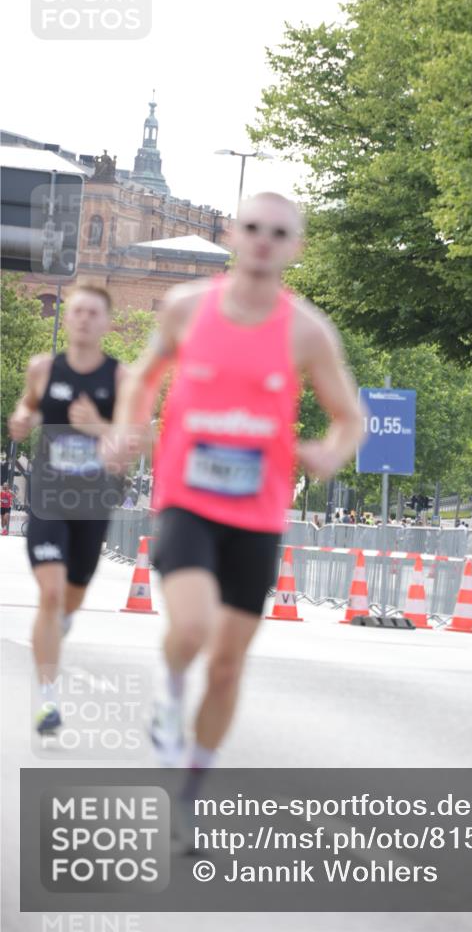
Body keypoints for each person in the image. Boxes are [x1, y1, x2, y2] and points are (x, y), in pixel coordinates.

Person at [105, 191, 365, 779]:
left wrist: (329, 452)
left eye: (279, 232)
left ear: (294, 248)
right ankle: (170, 693)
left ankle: (193, 781)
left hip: (257, 513)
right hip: (186, 499)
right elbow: (142, 380)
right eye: (253, 227)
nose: (264, 239)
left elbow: (351, 417)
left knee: (226, 665)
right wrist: (128, 428)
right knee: (192, 628)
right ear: (231, 235)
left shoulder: (307, 331)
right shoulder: (186, 307)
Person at [8, 285, 127, 734]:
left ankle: (64, 622)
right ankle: (46, 697)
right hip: (50, 495)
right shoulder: (44, 367)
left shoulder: (120, 378)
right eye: (76, 311)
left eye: (93, 312)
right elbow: (28, 405)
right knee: (51, 592)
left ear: (106, 323)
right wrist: (23, 418)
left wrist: (102, 429)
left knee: (72, 593)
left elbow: (133, 439)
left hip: (93, 500)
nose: (81, 319)